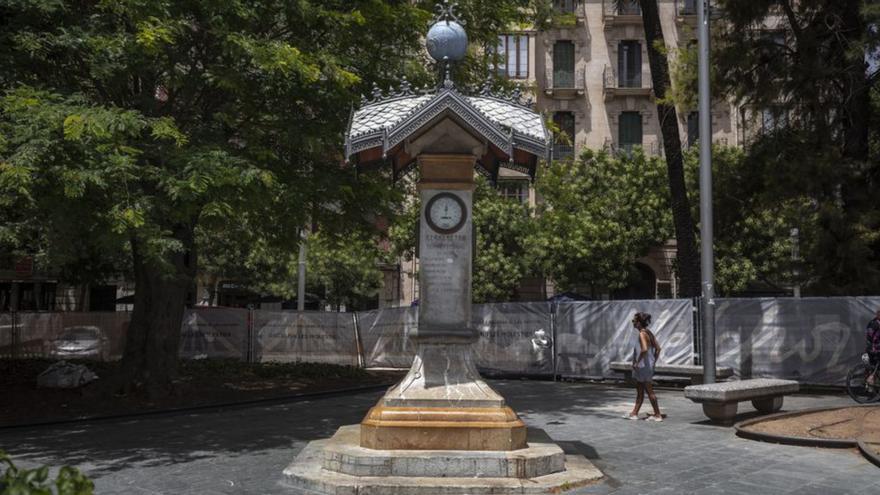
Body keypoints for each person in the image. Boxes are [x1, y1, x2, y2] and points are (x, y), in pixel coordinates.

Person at [623, 312, 663, 421]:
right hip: (647, 366)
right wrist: (653, 361)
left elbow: (644, 349)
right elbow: (658, 348)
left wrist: (637, 362)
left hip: (642, 367)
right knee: (640, 389)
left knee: (649, 390)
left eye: (634, 321)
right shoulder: (649, 333)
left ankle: (658, 415)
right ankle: (634, 413)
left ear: (639, 323)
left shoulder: (641, 334)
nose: (633, 323)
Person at [866, 310, 880, 385]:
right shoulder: (874, 323)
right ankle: (871, 388)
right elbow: (871, 337)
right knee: (873, 369)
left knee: (874, 369)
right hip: (874, 349)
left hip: (874, 348)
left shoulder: (875, 322)